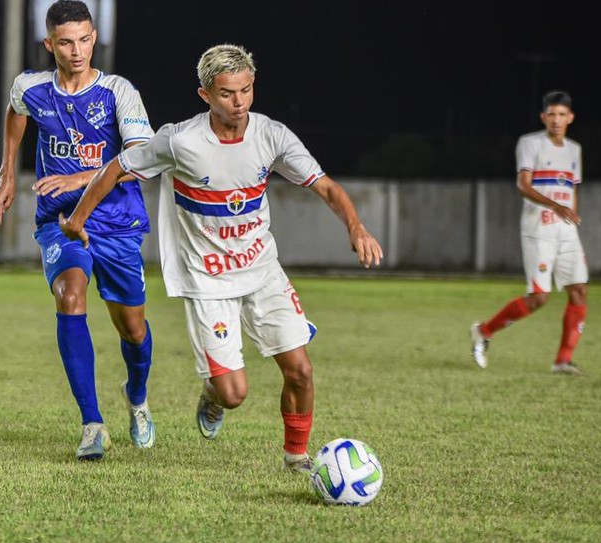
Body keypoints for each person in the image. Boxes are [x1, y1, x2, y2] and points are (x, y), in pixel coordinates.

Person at [59, 43, 384, 472]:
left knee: (300, 370)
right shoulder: (180, 140)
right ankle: (213, 395)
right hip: (208, 282)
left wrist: (356, 227)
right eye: (228, 93)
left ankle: (296, 457)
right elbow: (117, 166)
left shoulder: (272, 135)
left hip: (262, 271)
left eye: (247, 90)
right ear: (205, 95)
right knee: (234, 394)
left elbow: (324, 185)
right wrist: (79, 219)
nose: (240, 102)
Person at [0, 0, 156, 461]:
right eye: (66, 42)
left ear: (94, 37)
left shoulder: (119, 92)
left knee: (134, 331)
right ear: (50, 44)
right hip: (59, 222)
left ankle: (137, 397)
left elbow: (140, 159)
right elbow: (15, 110)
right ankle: (92, 424)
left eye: (84, 39)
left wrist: (80, 178)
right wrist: (7, 174)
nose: (77, 50)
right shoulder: (31, 87)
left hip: (116, 221)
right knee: (70, 295)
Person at [470, 90, 588, 375]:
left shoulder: (574, 150)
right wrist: (555, 207)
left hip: (567, 232)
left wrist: (570, 212)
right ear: (543, 117)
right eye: (551, 114)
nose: (556, 120)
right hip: (539, 230)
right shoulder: (530, 143)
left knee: (579, 291)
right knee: (538, 298)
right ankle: (484, 332)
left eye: (562, 115)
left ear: (570, 117)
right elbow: (523, 185)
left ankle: (562, 360)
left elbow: (572, 189)